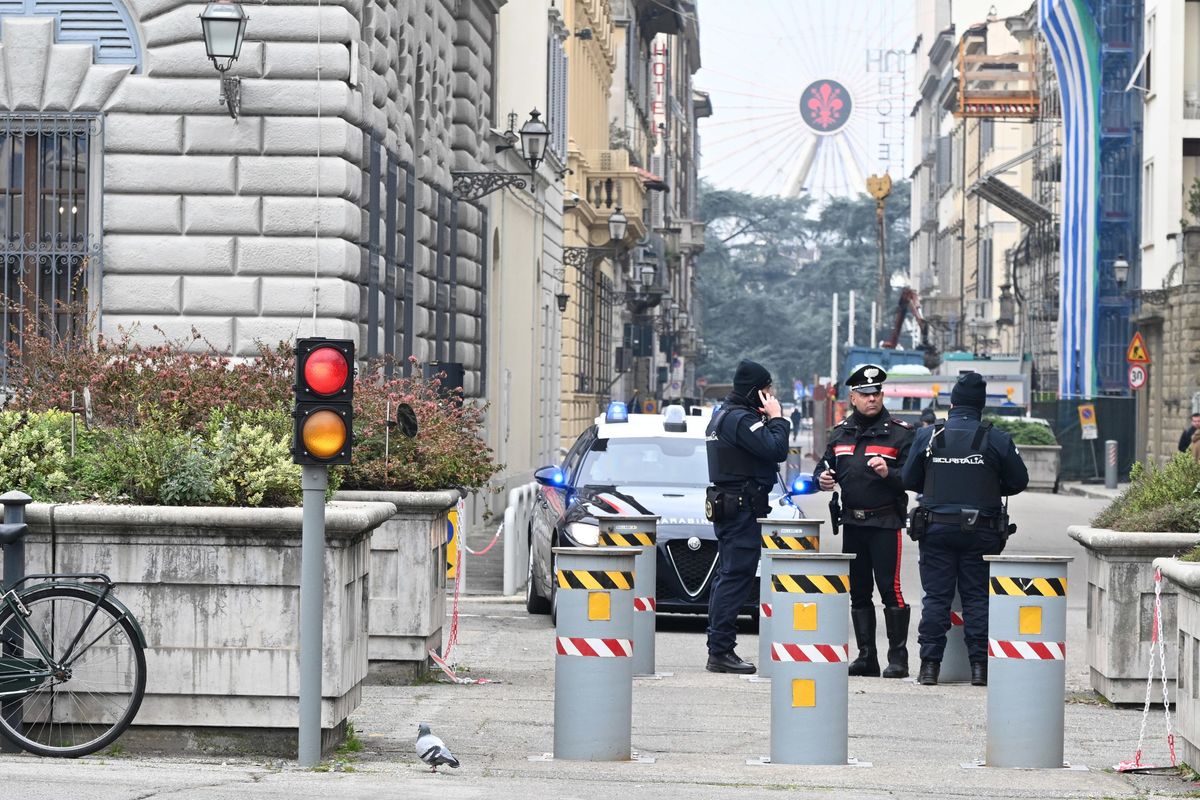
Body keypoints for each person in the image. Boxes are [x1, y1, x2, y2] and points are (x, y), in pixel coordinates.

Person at [902, 371, 1029, 687]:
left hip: (937, 530)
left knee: (936, 598)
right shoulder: (996, 439)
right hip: (981, 533)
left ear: (953, 402)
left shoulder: (929, 435)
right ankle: (979, 669)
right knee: (977, 599)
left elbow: (908, 479)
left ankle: (929, 667)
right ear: (981, 406)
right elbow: (1018, 482)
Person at [813, 364, 915, 679]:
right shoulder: (841, 432)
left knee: (890, 590)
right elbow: (823, 466)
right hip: (853, 524)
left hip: (885, 522)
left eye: (877, 393)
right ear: (853, 397)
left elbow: (913, 478)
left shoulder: (900, 432)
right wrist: (823, 479)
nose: (872, 399)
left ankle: (897, 659)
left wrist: (889, 473)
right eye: (866, 394)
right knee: (858, 591)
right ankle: (866, 656)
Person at [704, 359, 791, 674]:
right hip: (740, 507)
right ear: (757, 391)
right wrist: (778, 418)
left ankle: (719, 647)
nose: (771, 394)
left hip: (735, 505)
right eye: (767, 389)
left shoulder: (724, 416)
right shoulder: (740, 419)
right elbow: (776, 449)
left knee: (728, 575)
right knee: (736, 576)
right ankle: (721, 651)